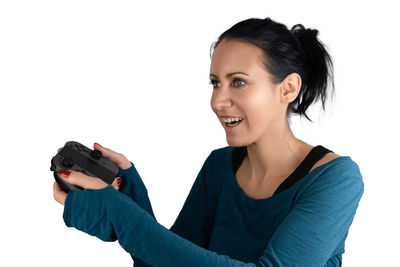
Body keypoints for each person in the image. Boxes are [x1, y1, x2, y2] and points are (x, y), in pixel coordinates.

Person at [53, 17, 364, 266]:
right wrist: (131, 199)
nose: (218, 101)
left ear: (287, 88)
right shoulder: (219, 166)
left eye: (238, 82)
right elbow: (166, 261)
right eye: (216, 83)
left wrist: (122, 215)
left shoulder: (336, 179)